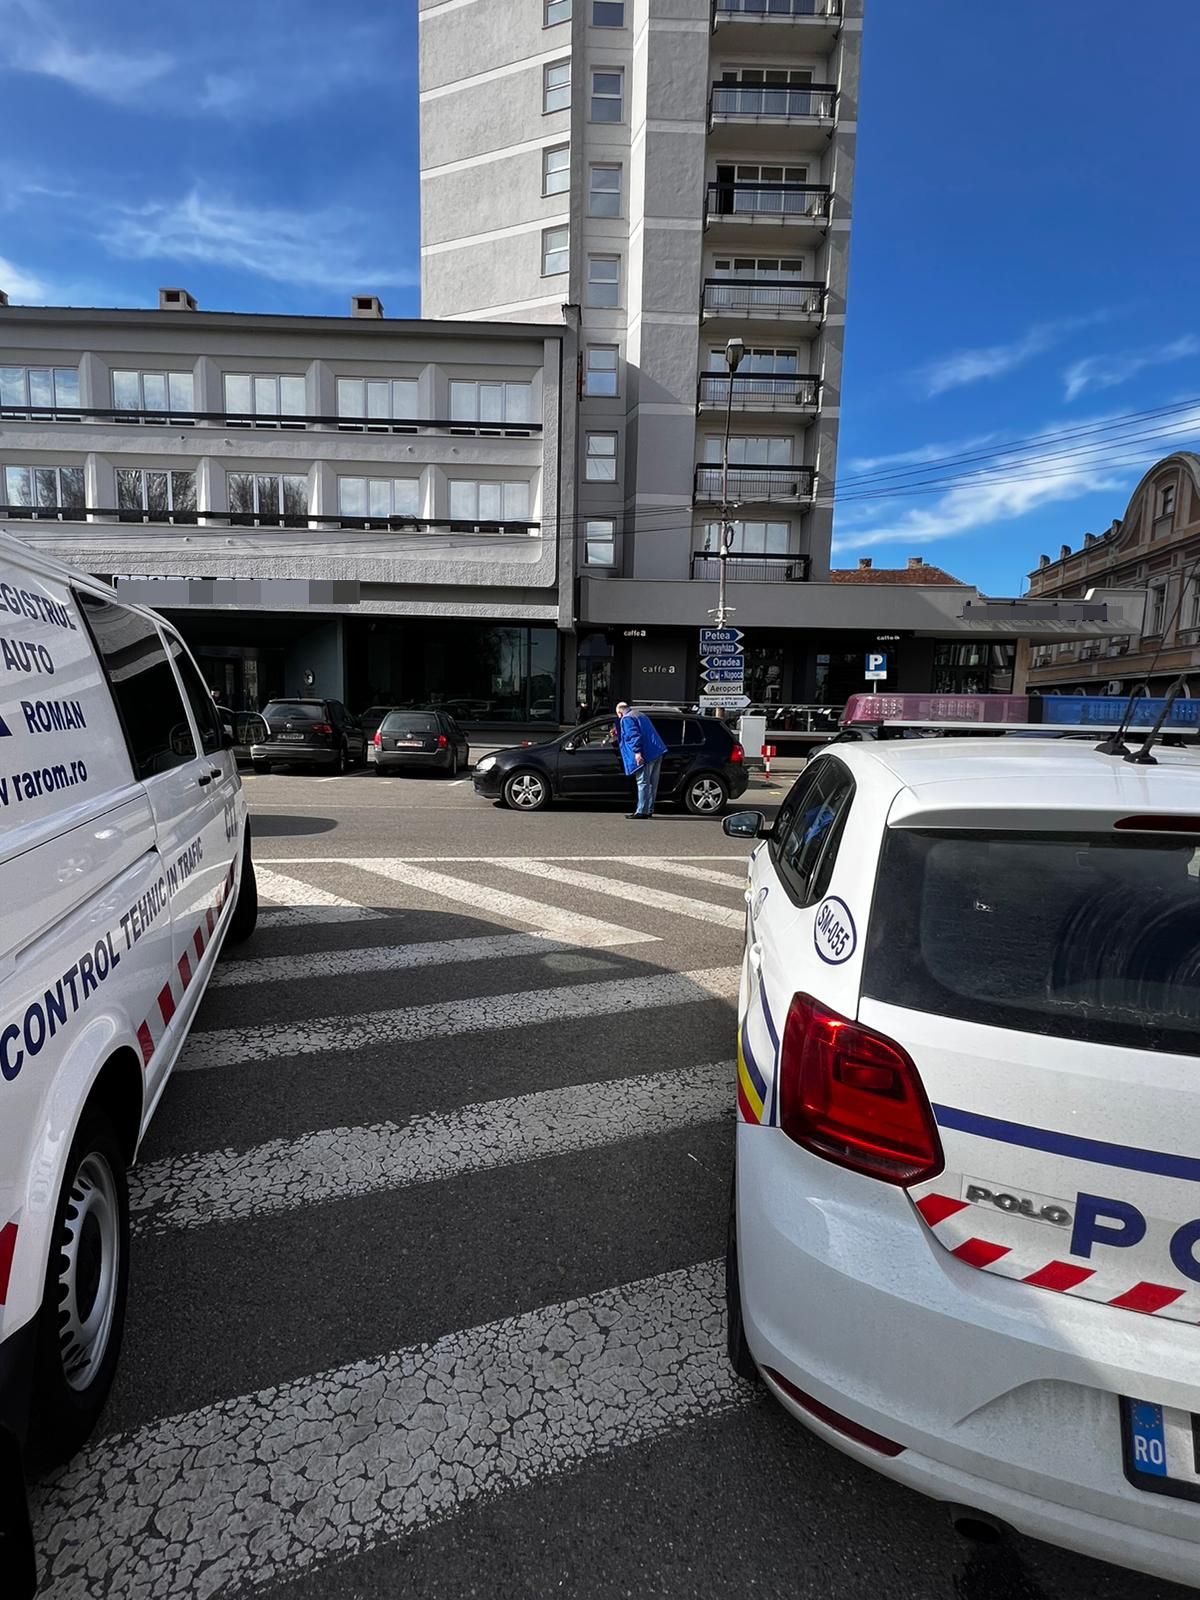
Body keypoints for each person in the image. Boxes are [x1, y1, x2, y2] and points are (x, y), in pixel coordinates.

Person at [615, 701, 668, 819]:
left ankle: (641, 811)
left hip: (646, 754)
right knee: (652, 784)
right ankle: (649, 809)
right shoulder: (639, 714)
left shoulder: (627, 719)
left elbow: (634, 736)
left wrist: (637, 753)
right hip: (657, 751)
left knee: (642, 782)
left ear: (620, 712)